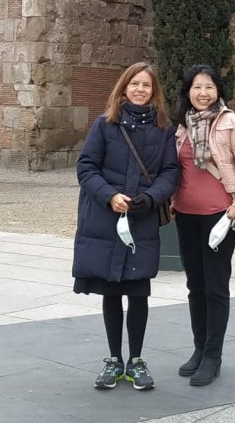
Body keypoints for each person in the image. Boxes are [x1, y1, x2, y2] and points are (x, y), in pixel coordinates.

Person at [72, 62, 180, 391]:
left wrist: (151, 197)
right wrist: (109, 196)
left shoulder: (164, 129)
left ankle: (136, 360)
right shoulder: (105, 125)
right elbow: (86, 167)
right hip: (107, 219)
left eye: (147, 85)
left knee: (137, 290)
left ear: (154, 92)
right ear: (124, 87)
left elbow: (170, 172)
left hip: (141, 219)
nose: (140, 90)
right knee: (110, 289)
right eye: (135, 84)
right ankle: (113, 359)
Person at [172, 64, 235, 386]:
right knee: (195, 286)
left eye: (209, 87)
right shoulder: (181, 127)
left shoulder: (231, 122)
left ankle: (213, 356)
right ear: (188, 92)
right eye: (197, 87)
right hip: (185, 215)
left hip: (220, 216)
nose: (203, 93)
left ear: (218, 91)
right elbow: (176, 170)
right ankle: (198, 349)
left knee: (215, 286)